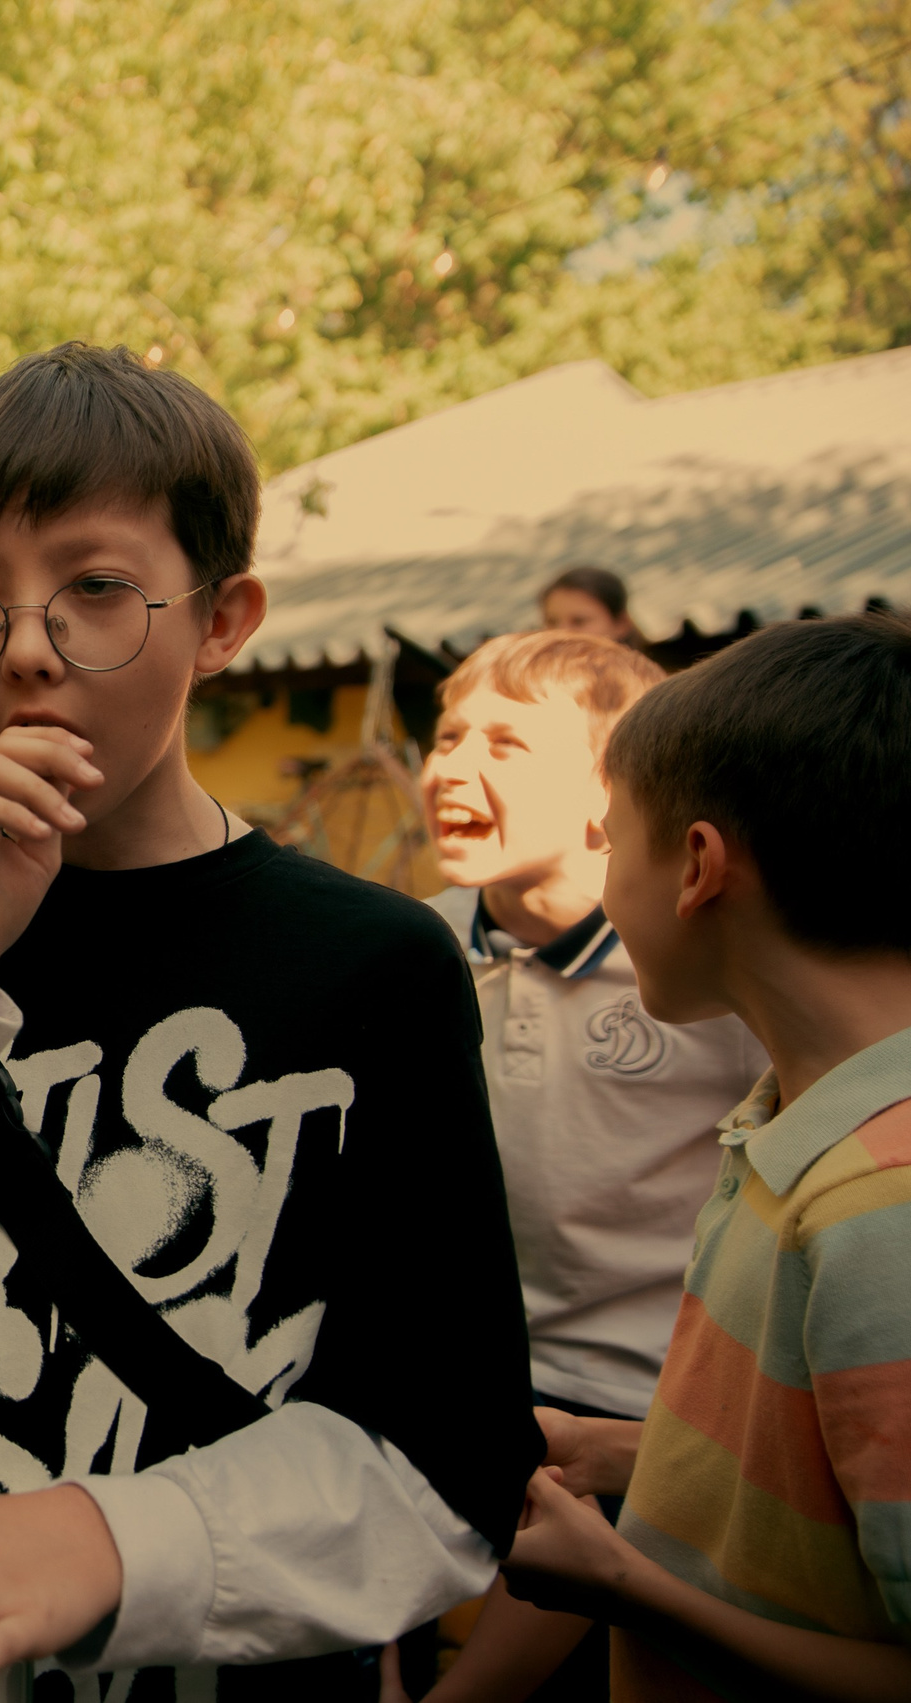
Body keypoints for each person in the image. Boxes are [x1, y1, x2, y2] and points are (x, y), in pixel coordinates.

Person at [0, 342, 544, 1700]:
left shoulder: (372, 966)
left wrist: (101, 1540)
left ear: (224, 617)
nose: (25, 645)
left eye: (96, 589)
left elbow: (443, 1470)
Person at [493, 612, 911, 1701]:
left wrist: (630, 1582)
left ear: (695, 866)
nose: (600, 874)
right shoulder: (798, 1127)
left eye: (609, 837)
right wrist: (640, 1456)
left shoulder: (883, 1209)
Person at [415, 631, 767, 1703]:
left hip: (641, 1396)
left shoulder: (692, 958)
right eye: (446, 734)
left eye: (507, 742)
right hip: (461, 1367)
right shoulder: (416, 946)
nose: (451, 765)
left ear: (608, 797)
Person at [540, 565, 642, 649]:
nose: (562, 633)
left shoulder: (651, 671)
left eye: (579, 621)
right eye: (552, 622)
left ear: (621, 623)